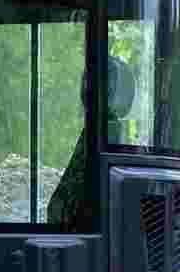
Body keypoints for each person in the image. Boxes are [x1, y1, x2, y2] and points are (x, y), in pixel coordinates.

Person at [46, 54, 134, 229]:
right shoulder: (112, 133)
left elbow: (61, 208)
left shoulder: (98, 135)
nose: (84, 88)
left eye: (89, 82)